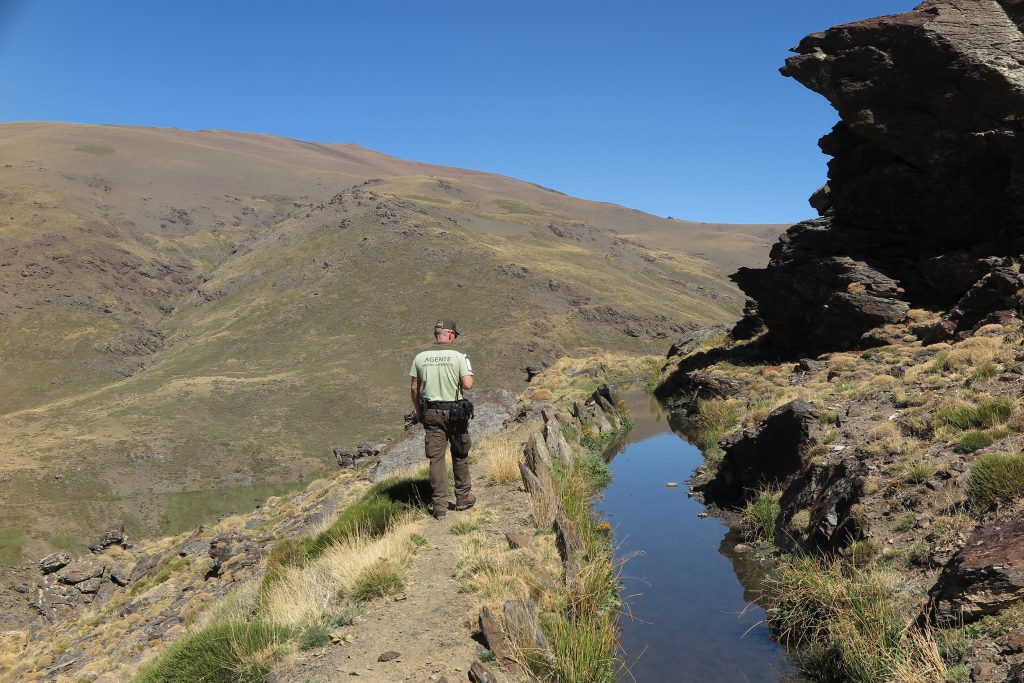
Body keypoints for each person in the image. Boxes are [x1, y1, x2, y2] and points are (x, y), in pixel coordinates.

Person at [409, 319, 476, 519]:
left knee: (436, 459)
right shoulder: (459, 356)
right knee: (460, 453)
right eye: (454, 335)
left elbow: (414, 389)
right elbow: (468, 385)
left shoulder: (420, 357)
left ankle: (439, 506)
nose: (454, 338)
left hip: (431, 412)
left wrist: (419, 411)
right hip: (455, 412)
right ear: (449, 334)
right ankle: (463, 498)